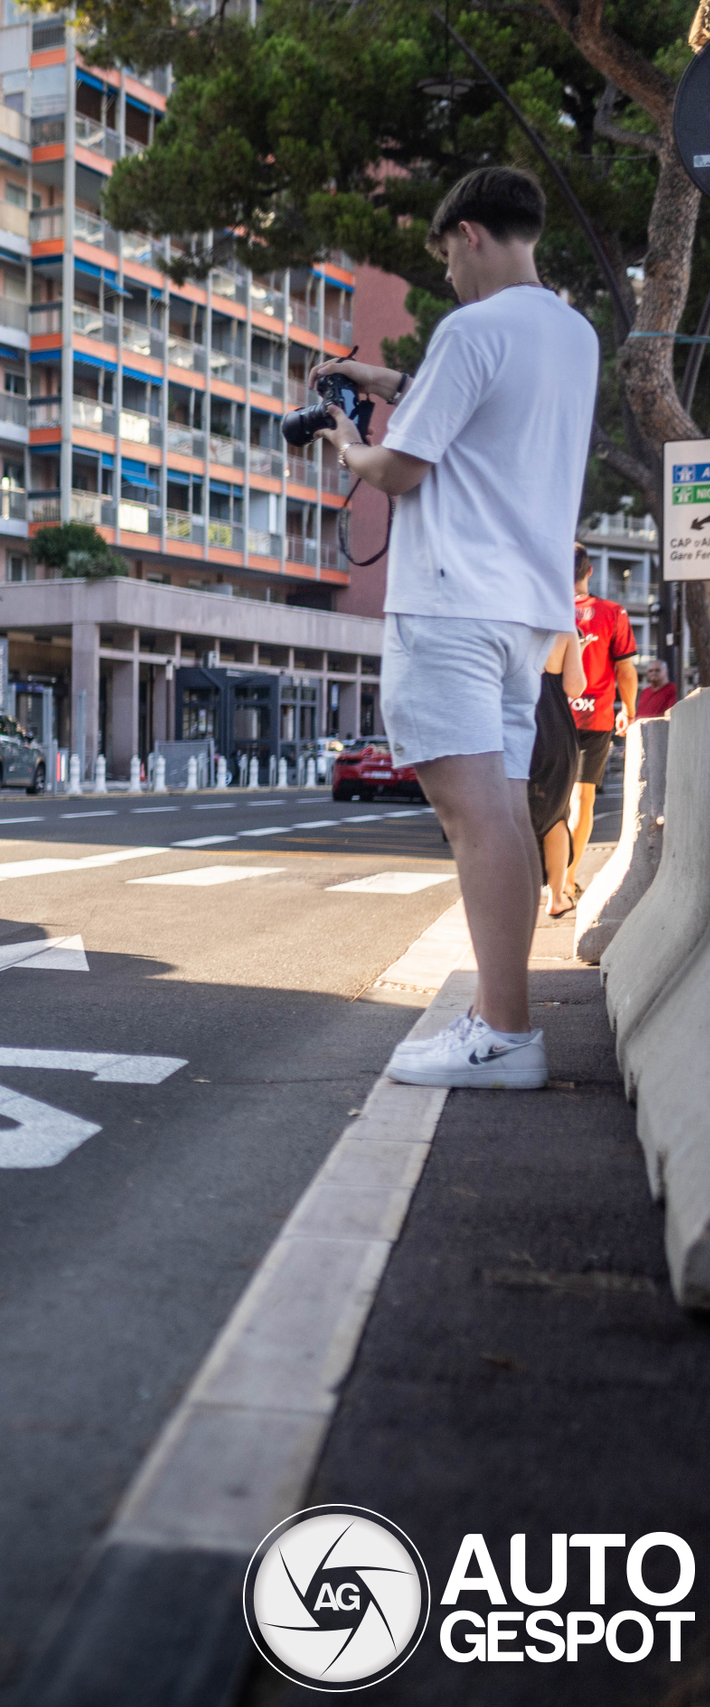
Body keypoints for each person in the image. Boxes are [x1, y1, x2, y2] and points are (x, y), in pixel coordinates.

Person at [313, 165, 598, 1090]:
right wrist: (388, 378)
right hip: (525, 610)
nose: (449, 279)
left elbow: (399, 470)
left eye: (446, 259)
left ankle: (506, 1035)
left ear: (468, 233)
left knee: (471, 821)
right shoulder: (573, 333)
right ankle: (497, 1019)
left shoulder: (472, 330)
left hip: (449, 601)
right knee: (504, 813)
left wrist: (342, 442)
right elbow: (486, 410)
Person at [564, 545, 638, 888]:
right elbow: (625, 670)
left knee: (550, 797)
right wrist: (629, 709)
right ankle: (567, 877)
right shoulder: (614, 613)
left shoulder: (550, 612)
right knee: (583, 799)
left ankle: (547, 869)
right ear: (589, 571)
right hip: (596, 718)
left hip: (553, 716)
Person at [530, 633, 577, 918]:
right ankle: (556, 897)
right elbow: (576, 686)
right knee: (556, 814)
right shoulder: (564, 631)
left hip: (516, 729)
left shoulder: (510, 622)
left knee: (513, 812)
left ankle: (515, 892)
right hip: (556, 731)